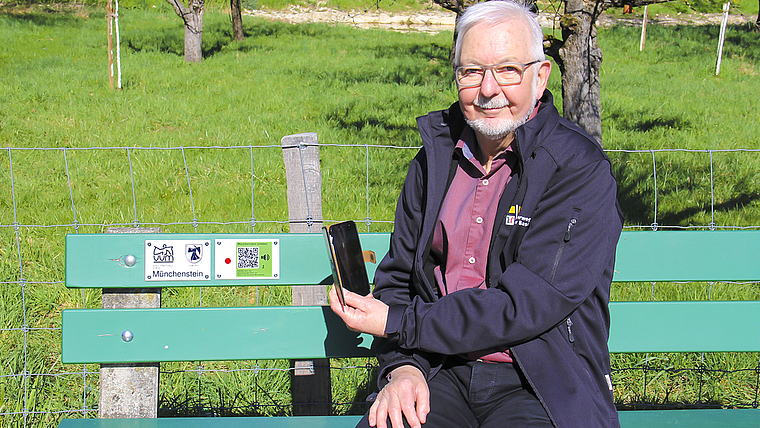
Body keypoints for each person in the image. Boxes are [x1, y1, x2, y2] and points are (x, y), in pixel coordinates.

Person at [329, 1, 624, 427]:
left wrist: (398, 323)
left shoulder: (577, 169)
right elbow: (397, 279)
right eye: (471, 72)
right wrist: (403, 368)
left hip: (540, 379)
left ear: (540, 77)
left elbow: (525, 304)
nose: (488, 89)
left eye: (508, 70)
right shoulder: (435, 158)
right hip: (437, 370)